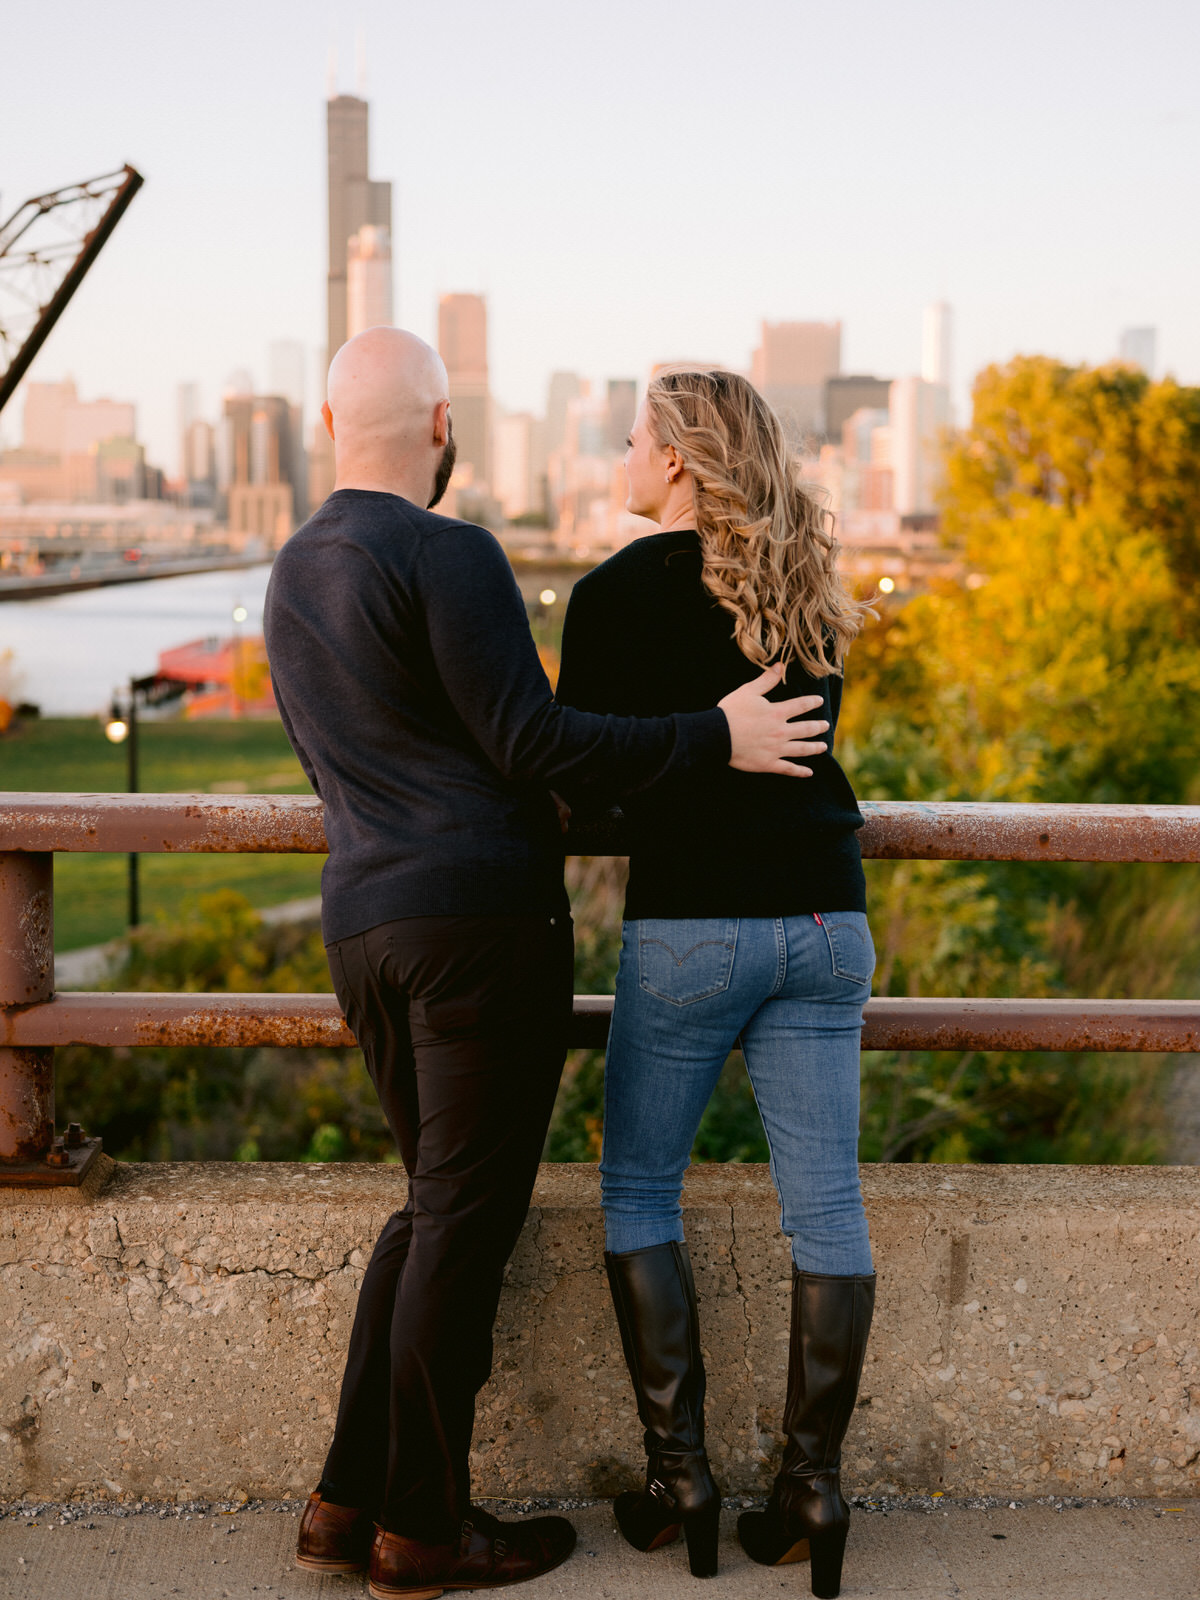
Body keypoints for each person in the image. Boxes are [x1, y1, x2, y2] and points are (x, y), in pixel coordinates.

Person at [263, 328, 831, 1600]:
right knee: (463, 1224)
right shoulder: (448, 549)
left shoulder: (294, 568)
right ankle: (423, 1526)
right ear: (445, 425)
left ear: (323, 423)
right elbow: (533, 740)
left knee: (428, 1211)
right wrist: (715, 736)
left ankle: (343, 1501)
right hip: (477, 933)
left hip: (363, 925)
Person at [554, 368, 877, 1598]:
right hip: (825, 915)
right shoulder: (804, 588)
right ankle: (810, 1487)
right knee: (827, 1205)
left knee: (639, 1183)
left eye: (633, 438)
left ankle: (680, 1477)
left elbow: (588, 778)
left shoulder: (614, 595)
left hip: (695, 925)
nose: (620, 455)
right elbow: (794, 755)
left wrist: (659, 768)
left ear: (679, 461)